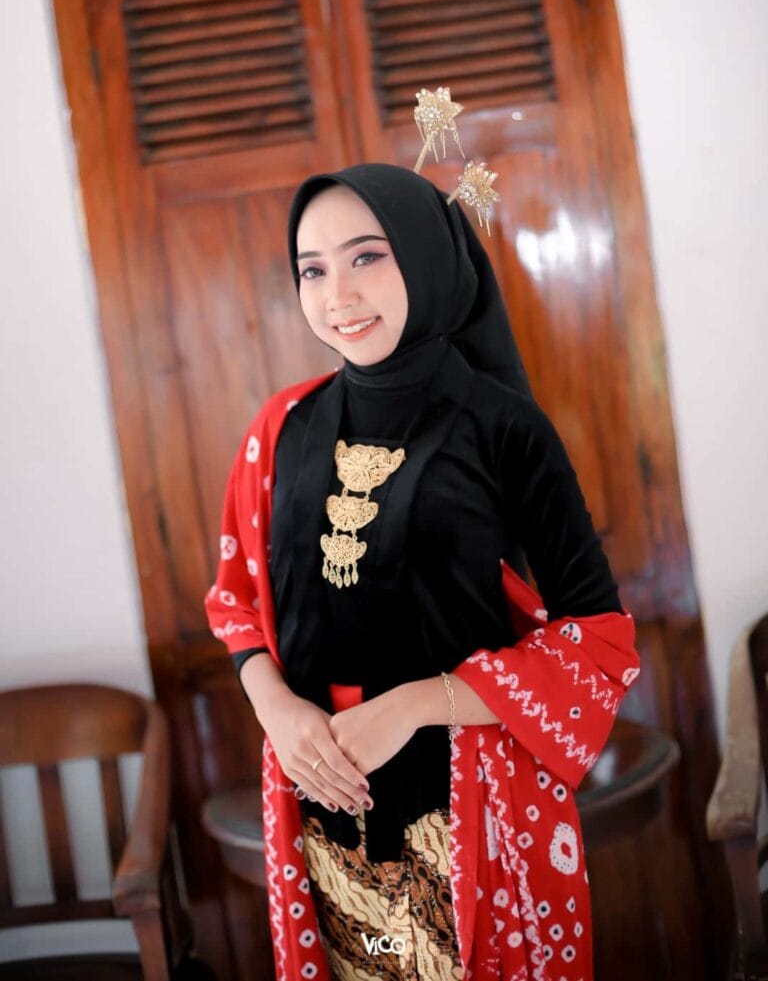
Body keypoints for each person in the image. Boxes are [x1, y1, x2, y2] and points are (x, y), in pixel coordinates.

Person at [205, 163, 639, 981]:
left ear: (426, 255)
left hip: (471, 802)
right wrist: (277, 710)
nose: (338, 295)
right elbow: (235, 603)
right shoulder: (280, 427)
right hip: (319, 803)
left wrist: (410, 707)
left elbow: (599, 641)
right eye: (313, 269)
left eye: (367, 256)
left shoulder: (505, 428)